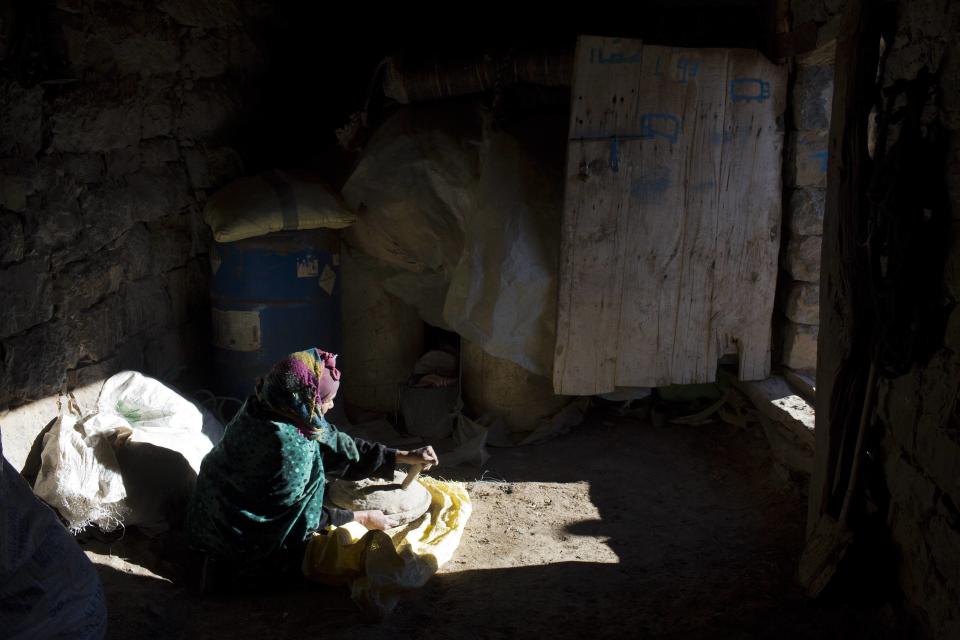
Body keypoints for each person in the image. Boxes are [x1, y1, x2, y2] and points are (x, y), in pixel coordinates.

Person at [184, 348, 438, 581]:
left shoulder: (273, 404)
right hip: (234, 538)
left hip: (213, 510)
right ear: (311, 400)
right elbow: (295, 521)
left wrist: (401, 456)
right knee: (335, 563)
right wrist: (360, 518)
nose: (332, 405)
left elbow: (335, 444)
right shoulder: (287, 446)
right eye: (328, 399)